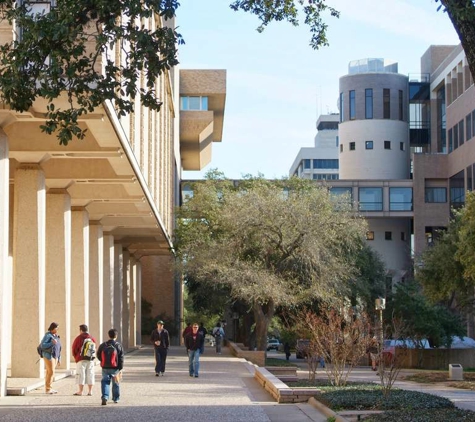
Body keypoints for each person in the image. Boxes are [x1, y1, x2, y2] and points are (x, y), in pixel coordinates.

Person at [97, 328, 124, 405]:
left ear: (108, 335)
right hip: (115, 368)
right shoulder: (118, 345)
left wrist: (103, 361)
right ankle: (116, 398)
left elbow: (98, 355)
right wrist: (120, 368)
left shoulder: (103, 345)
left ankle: (105, 397)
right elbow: (121, 358)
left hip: (105, 367)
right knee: (116, 383)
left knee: (105, 382)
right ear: (116, 336)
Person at [71, 324, 97, 396]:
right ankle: (90, 391)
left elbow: (74, 349)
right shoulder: (91, 338)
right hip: (90, 359)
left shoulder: (79, 338)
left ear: (81, 330)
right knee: (90, 374)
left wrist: (76, 357)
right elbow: (95, 347)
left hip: (81, 359)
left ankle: (80, 391)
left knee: (80, 374)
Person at [40, 322, 61, 394]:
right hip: (48, 355)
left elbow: (59, 348)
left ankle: (49, 388)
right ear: (52, 328)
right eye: (56, 328)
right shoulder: (48, 335)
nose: (57, 329)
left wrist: (59, 358)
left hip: (55, 356)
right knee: (51, 372)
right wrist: (52, 343)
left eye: (58, 328)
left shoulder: (56, 336)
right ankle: (48, 389)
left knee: (50, 372)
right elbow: (43, 345)